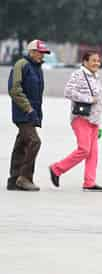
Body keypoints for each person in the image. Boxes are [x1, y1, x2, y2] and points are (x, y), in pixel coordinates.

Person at [49, 51, 102, 192]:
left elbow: (99, 98)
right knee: (84, 150)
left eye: (98, 61)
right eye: (93, 60)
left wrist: (99, 124)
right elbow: (68, 92)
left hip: (94, 120)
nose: (96, 63)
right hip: (81, 118)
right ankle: (56, 169)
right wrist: (88, 99)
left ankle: (89, 182)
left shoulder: (95, 77)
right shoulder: (78, 75)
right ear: (85, 61)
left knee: (93, 153)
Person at [6, 39, 50, 191]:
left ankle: (13, 180)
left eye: (44, 53)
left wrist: (36, 113)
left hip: (32, 113)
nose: (42, 56)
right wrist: (28, 109)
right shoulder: (21, 65)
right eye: (40, 52)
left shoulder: (38, 68)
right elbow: (14, 89)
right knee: (34, 141)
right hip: (23, 113)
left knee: (22, 144)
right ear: (31, 51)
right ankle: (24, 178)